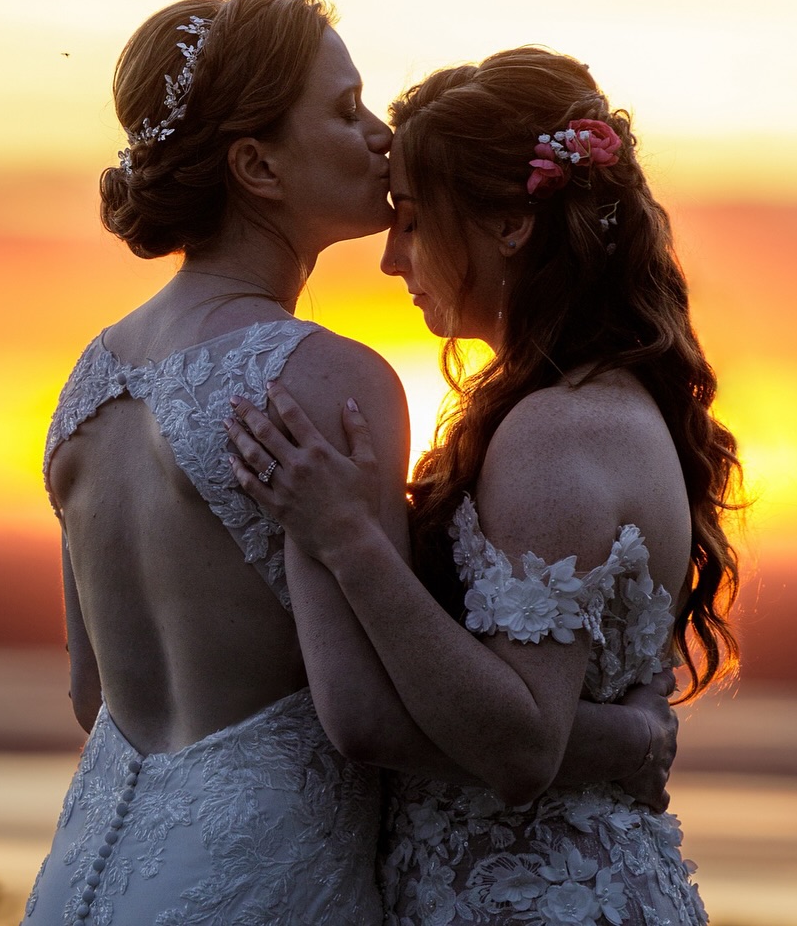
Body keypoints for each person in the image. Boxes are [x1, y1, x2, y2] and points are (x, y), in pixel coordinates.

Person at [26, 0, 677, 926]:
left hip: (93, 871)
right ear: (257, 166)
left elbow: (94, 695)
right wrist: (625, 739)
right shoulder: (321, 377)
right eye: (344, 109)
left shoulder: (90, 384)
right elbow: (364, 718)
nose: (379, 135)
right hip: (257, 879)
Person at [227, 47, 741, 926]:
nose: (392, 259)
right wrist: (628, 737)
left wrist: (346, 537)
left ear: (510, 224)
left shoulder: (559, 431)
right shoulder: (587, 404)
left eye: (414, 220)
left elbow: (521, 742)